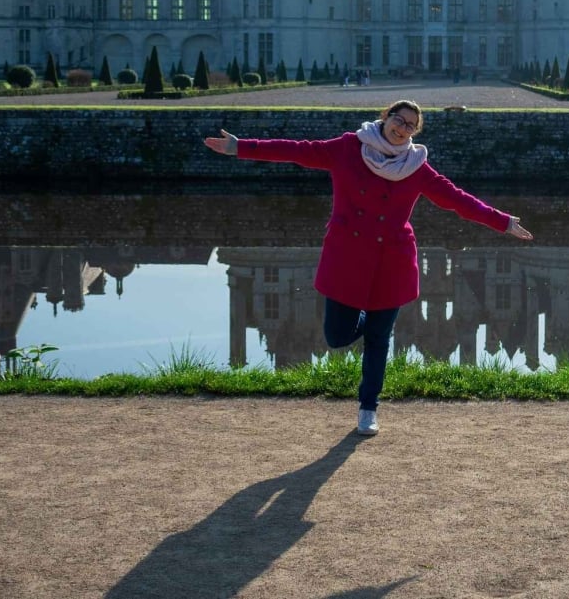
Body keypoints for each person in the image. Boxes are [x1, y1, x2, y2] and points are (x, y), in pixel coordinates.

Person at [205, 100, 533, 435]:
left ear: (414, 132)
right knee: (337, 336)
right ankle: (367, 324)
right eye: (399, 120)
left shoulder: (416, 166)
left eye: (410, 125)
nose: (402, 128)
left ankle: (368, 409)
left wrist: (503, 221)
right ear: (385, 117)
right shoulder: (349, 148)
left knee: (379, 340)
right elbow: (298, 151)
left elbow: (457, 199)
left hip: (392, 263)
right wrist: (241, 147)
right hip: (347, 258)